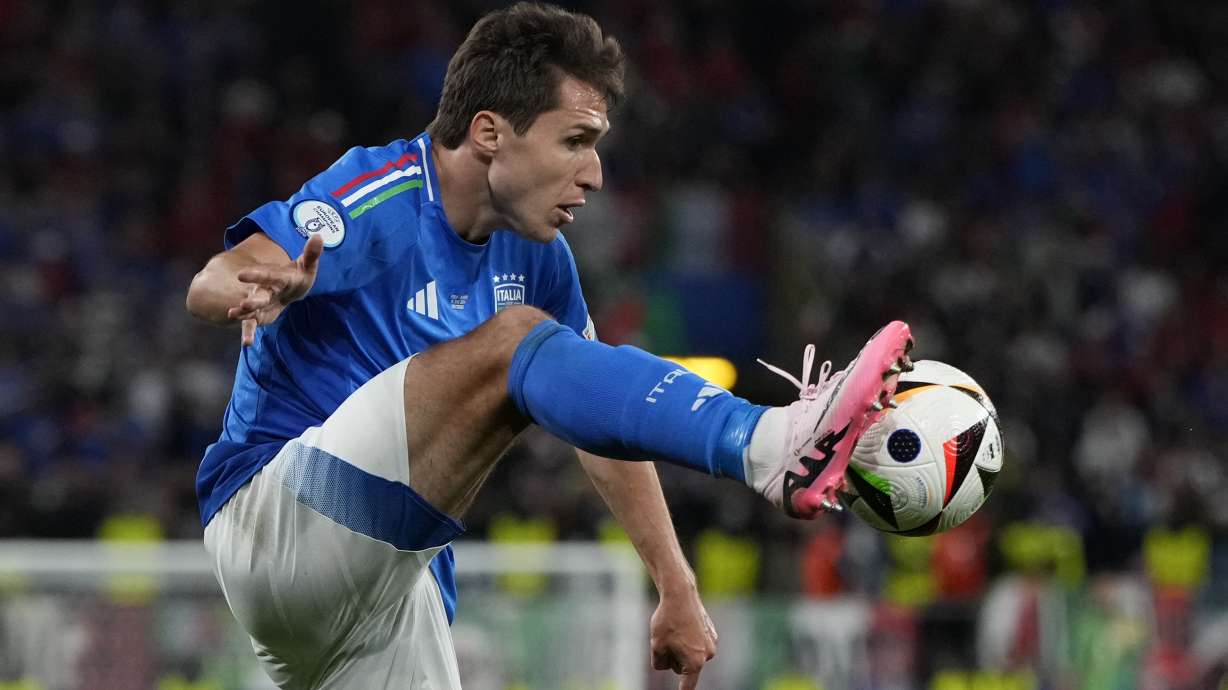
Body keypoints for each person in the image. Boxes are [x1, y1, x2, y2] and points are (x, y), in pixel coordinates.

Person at [185, 3, 914, 688]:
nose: (594, 174)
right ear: (490, 132)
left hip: (393, 587)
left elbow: (597, 423)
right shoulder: (382, 194)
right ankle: (771, 440)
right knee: (515, 343)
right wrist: (260, 286)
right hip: (276, 522)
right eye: (576, 141)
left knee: (534, 348)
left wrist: (674, 584)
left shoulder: (538, 259)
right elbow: (213, 279)